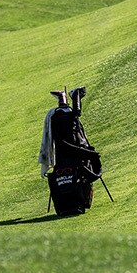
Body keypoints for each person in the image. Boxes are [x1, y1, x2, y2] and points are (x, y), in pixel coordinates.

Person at [39, 85, 102, 215]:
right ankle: (69, 96)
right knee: (73, 115)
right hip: (74, 158)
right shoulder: (65, 117)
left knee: (73, 115)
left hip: (65, 158)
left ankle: (67, 96)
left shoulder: (57, 117)